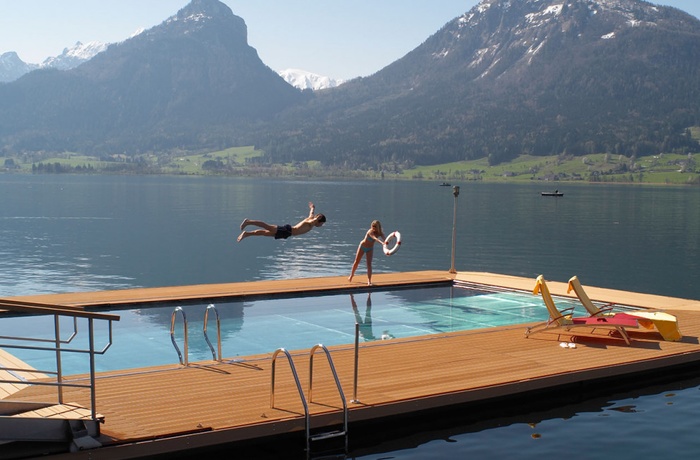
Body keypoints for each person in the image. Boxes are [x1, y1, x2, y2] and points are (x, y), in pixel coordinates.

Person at [237, 202, 326, 242]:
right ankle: (248, 222)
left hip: (287, 233)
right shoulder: (312, 223)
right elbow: (314, 218)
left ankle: (247, 234)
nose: (321, 225)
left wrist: (312, 207)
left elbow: (312, 212)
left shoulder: (310, 218)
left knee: (264, 233)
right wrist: (318, 218)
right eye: (321, 223)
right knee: (267, 227)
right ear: (318, 221)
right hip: (287, 230)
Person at [348, 220, 385, 286]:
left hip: (370, 249)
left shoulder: (380, 233)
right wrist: (382, 243)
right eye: (372, 226)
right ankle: (351, 275)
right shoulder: (370, 231)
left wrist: (386, 244)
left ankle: (369, 281)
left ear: (378, 227)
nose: (373, 228)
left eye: (375, 226)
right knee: (357, 261)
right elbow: (375, 238)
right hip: (362, 246)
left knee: (369, 264)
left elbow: (385, 239)